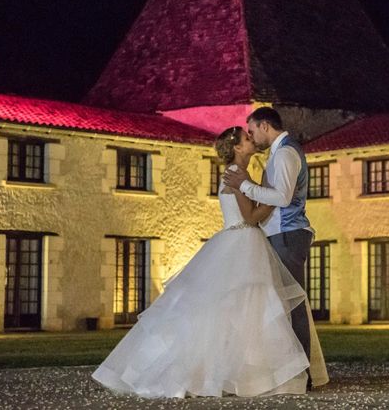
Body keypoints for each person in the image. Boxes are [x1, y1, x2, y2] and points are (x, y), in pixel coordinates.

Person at [92, 126, 325, 398]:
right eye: (247, 138)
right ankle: (242, 374)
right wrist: (275, 197)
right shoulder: (236, 175)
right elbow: (251, 218)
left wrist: (261, 191)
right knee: (251, 305)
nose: (252, 140)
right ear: (237, 148)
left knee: (245, 310)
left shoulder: (240, 174)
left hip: (242, 241)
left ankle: (240, 372)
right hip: (243, 240)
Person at [222, 107, 318, 389]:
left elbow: (283, 197)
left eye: (252, 130)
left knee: (293, 303)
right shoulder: (278, 154)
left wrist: (245, 186)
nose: (251, 135)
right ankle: (289, 371)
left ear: (265, 126)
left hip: (288, 233)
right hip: (280, 233)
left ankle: (301, 374)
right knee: (283, 304)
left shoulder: (286, 153)